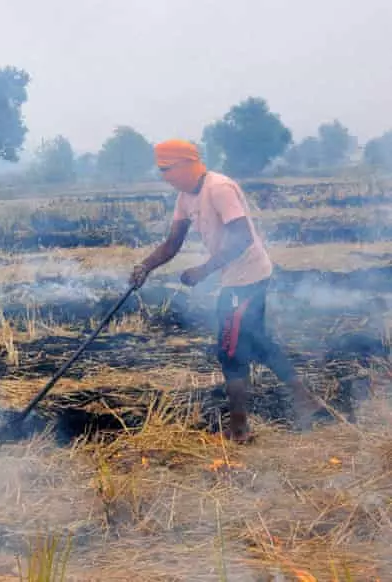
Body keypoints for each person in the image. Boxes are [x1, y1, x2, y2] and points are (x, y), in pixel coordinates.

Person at [128, 140, 326, 443]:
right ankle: (306, 400)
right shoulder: (185, 197)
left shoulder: (219, 188)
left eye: (166, 169)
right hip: (236, 277)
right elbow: (172, 243)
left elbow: (243, 237)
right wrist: (145, 267)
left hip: (247, 278)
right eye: (161, 171)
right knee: (258, 343)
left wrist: (204, 270)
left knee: (230, 350)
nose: (164, 176)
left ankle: (239, 428)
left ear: (185, 164)